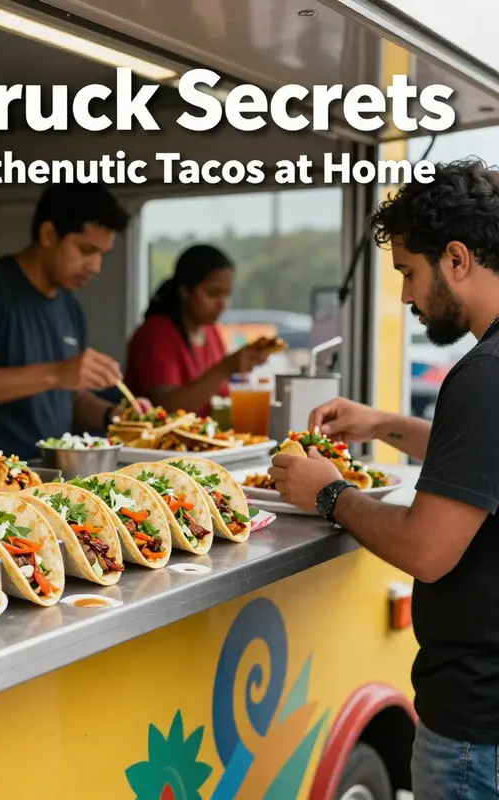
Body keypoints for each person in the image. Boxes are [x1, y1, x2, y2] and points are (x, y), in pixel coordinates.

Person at [267, 159, 499, 798]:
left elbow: (428, 549)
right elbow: (480, 464)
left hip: (477, 733)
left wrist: (329, 492)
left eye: (407, 272)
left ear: (456, 259)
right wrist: (388, 425)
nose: (403, 297)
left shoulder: (485, 374)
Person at [0, 184, 150, 464]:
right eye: (86, 250)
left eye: (101, 254)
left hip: (44, 476)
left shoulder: (70, 307)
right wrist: (57, 373)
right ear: (48, 234)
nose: (95, 267)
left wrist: (114, 415)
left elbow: (68, 397)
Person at [124, 244, 274, 416]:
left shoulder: (211, 332)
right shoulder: (156, 332)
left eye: (227, 295)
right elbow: (165, 408)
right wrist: (224, 369)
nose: (222, 305)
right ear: (185, 291)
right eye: (213, 294)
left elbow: (220, 398)